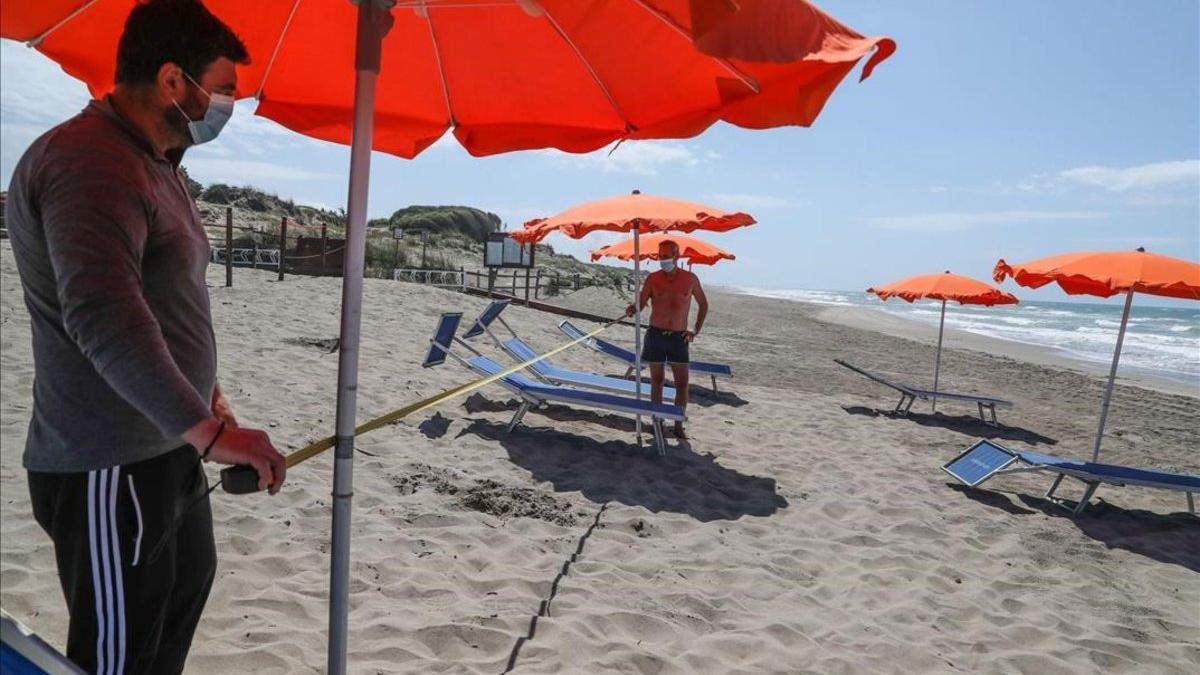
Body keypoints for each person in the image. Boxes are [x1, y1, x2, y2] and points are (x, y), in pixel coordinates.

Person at [6, 2, 286, 672]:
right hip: (108, 457)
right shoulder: (88, 162)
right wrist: (212, 434)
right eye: (221, 90)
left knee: (180, 597)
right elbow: (104, 313)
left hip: (170, 442)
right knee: (120, 650)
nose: (225, 107)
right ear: (171, 81)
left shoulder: (159, 163)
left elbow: (168, 299)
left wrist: (207, 401)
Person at [624, 239, 708, 439]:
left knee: (682, 383)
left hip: (679, 337)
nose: (662, 260)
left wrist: (695, 330)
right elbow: (642, 303)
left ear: (676, 256)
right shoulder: (653, 279)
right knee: (657, 380)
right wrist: (633, 308)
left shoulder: (690, 279)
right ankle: (657, 421)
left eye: (666, 256)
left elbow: (704, 304)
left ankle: (678, 425)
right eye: (660, 256)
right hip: (656, 335)